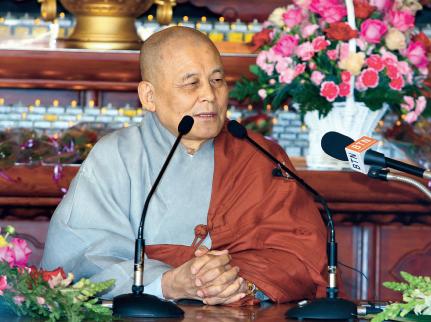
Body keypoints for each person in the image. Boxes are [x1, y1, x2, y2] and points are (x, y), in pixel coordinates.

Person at [41, 26, 327, 306]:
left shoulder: (260, 156)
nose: (209, 95)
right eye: (191, 83)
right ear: (149, 96)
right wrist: (168, 282)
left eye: (217, 80)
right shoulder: (116, 156)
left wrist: (241, 283)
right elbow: (82, 256)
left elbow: (298, 254)